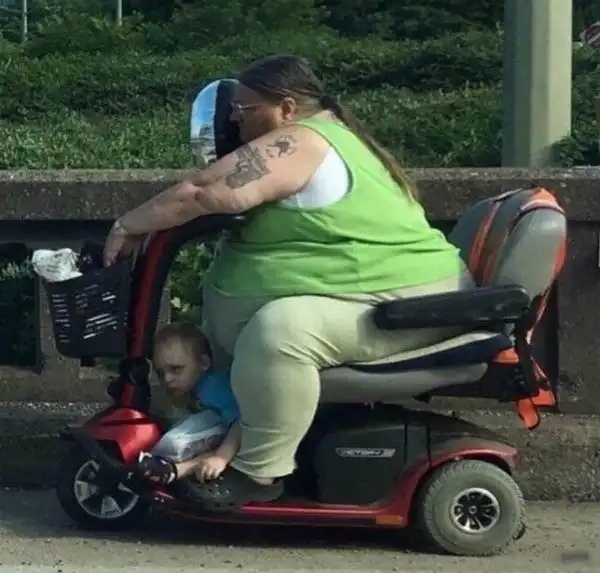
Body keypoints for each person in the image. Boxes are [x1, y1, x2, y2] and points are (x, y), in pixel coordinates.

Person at [103, 53, 475, 512]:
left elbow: (203, 192)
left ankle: (259, 471)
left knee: (279, 333)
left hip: (411, 305)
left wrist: (128, 224)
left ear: (285, 109)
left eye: (244, 110)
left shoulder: (303, 142)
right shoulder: (322, 138)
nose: (235, 122)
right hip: (386, 298)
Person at [139, 322, 241, 485]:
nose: (167, 379)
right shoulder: (194, 388)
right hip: (220, 439)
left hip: (237, 442)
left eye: (176, 369)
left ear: (204, 363)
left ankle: (173, 469)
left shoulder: (214, 389)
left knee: (173, 444)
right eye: (161, 372)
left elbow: (241, 423)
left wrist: (221, 458)